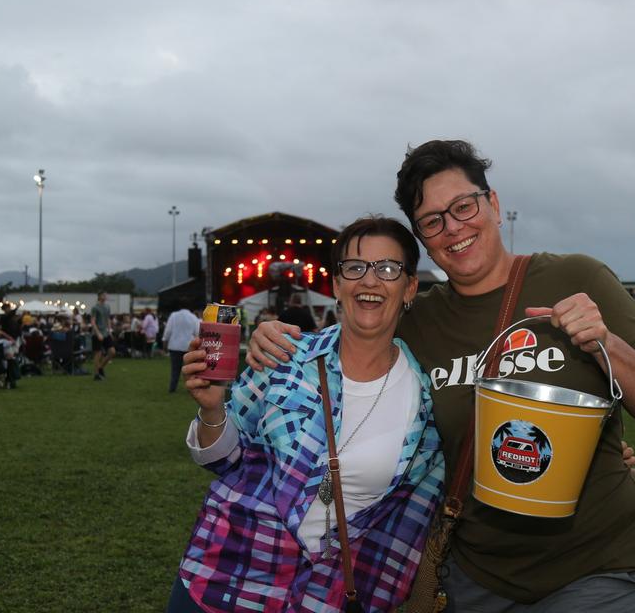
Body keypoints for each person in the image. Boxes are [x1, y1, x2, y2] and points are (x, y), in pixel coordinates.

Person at [244, 140, 635, 610]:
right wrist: (273, 338)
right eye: (432, 221)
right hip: (475, 578)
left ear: (493, 204)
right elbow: (343, 351)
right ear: (423, 238)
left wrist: (606, 343)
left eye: (463, 206)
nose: (453, 227)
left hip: (595, 565)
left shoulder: (577, 277)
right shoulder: (416, 322)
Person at [170, 217, 445, 613]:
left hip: (320, 598)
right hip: (224, 579)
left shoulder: (426, 405)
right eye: (355, 267)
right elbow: (223, 459)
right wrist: (212, 409)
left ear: (410, 287)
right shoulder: (284, 356)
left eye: (387, 268)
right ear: (336, 284)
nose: (370, 280)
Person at [162, 303, 199, 393]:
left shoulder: (174, 316)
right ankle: (190, 388)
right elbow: (197, 332)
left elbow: (168, 331)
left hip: (174, 346)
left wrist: (164, 342)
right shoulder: (193, 317)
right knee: (189, 370)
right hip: (188, 346)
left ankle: (172, 388)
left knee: (175, 370)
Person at [90, 292, 115, 380]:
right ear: (99, 296)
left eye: (106, 295)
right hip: (97, 333)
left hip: (106, 333)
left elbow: (108, 319)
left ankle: (100, 367)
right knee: (98, 354)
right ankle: (96, 375)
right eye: (104, 295)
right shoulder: (95, 308)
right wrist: (97, 333)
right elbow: (93, 321)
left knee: (112, 352)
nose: (106, 296)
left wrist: (110, 330)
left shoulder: (107, 307)